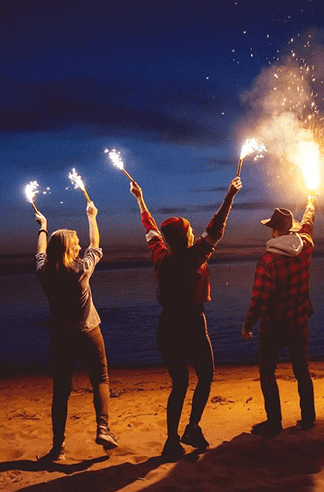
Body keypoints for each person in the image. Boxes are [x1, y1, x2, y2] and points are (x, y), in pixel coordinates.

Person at [131, 176, 241, 460]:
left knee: (179, 384)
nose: (195, 233)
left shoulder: (161, 255)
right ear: (186, 237)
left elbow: (150, 228)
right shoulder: (192, 258)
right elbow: (217, 227)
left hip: (167, 327)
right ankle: (192, 428)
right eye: (191, 231)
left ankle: (171, 440)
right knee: (206, 376)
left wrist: (140, 199)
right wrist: (230, 194)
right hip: (191, 325)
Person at [34, 201, 118, 462]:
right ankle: (103, 428)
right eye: (76, 243)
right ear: (70, 249)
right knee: (100, 378)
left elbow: (40, 252)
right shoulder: (81, 270)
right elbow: (95, 244)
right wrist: (92, 216)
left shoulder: (44, 271)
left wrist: (43, 227)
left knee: (61, 390)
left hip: (61, 337)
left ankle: (58, 448)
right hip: (88, 331)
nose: (80, 245)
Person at [241, 194, 316, 438]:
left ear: (274, 232)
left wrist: (247, 323)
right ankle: (308, 418)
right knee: (301, 370)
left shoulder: (267, 261)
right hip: (299, 322)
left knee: (267, 372)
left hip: (273, 327)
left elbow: (259, 298)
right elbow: (308, 223)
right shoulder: (305, 246)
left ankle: (274, 423)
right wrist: (311, 203)